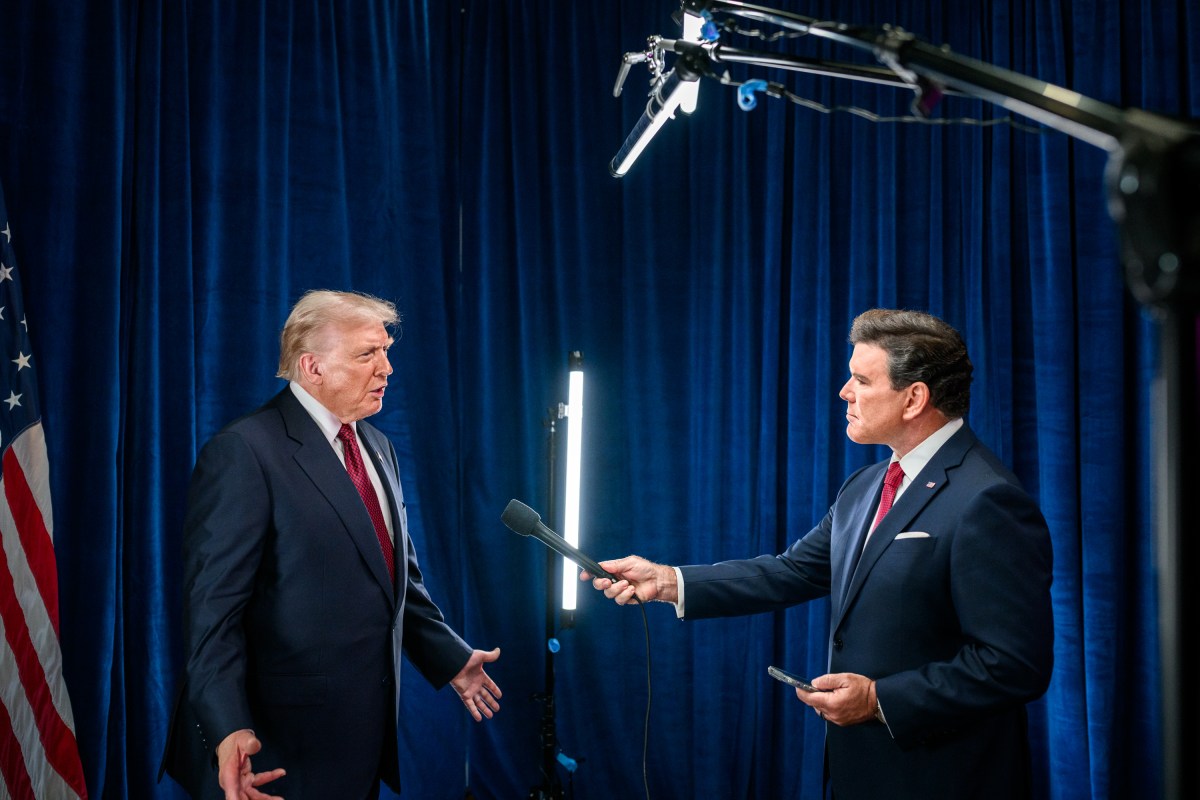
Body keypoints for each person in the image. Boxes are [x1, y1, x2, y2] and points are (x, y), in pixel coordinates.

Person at [584, 308, 1054, 799]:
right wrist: (667, 582)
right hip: (859, 773)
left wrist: (878, 700)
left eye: (860, 380)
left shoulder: (987, 499)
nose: (844, 393)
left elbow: (1014, 665)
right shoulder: (866, 485)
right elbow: (791, 572)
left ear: (914, 397)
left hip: (945, 779)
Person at [160, 290, 501, 800]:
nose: (386, 368)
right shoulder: (245, 452)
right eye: (368, 354)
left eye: (386, 351)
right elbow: (213, 615)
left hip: (358, 737)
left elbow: (393, 579)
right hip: (270, 749)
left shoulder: (377, 446)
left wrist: (449, 657)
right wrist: (228, 730)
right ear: (311, 366)